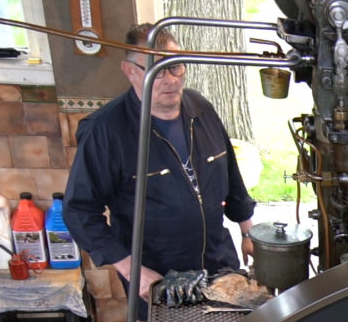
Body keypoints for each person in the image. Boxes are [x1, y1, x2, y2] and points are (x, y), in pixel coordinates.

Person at [63, 23, 256, 302]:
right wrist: (131, 269)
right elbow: (79, 211)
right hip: (158, 276)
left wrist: (249, 231)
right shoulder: (106, 130)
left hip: (218, 261)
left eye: (176, 67)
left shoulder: (200, 108)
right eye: (157, 69)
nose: (171, 79)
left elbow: (230, 174)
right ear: (130, 71)